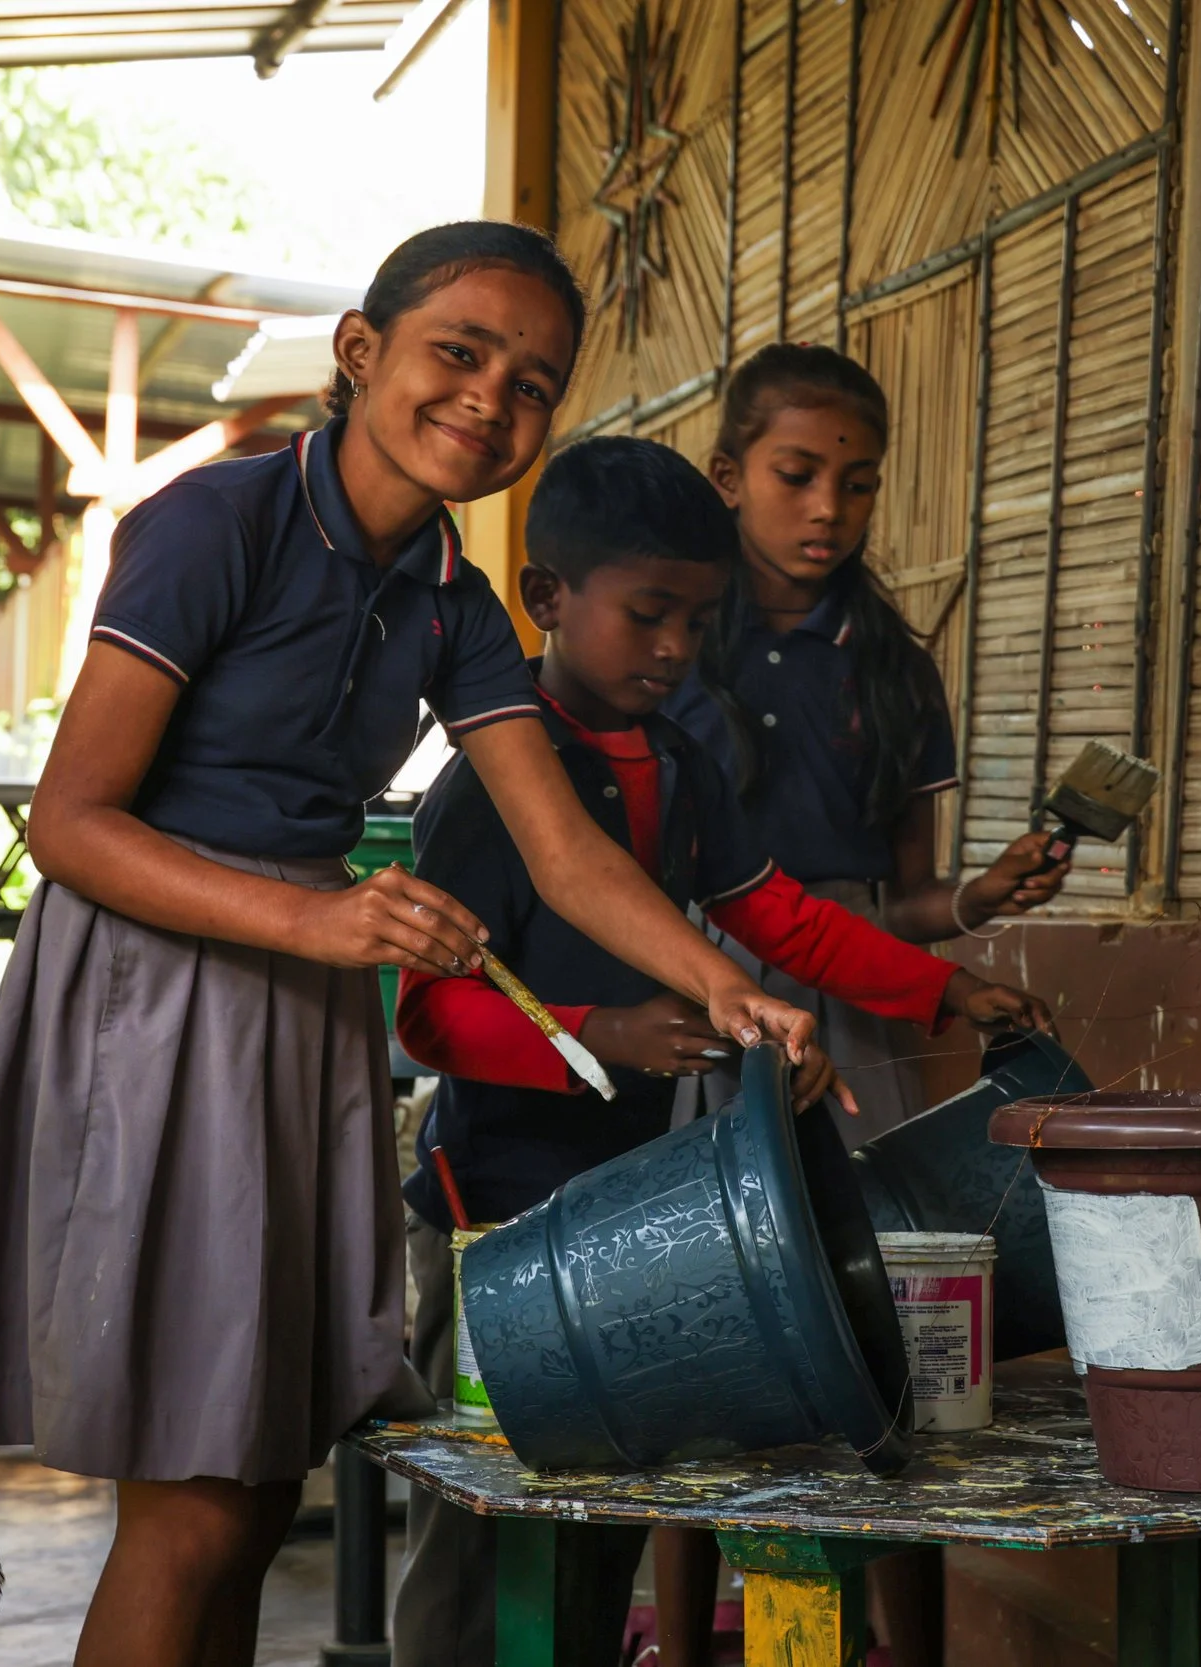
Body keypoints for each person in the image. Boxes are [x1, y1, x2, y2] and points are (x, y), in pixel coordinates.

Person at [0, 224, 823, 1667]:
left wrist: (733, 988)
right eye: (460, 352)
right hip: (151, 986)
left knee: (256, 1495)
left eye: (533, 383)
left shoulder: (451, 600)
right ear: (358, 350)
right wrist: (319, 917)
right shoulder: (219, 524)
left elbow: (567, 856)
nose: (490, 400)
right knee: (192, 1509)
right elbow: (70, 822)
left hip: (295, 1010)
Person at [387, 434, 1053, 1667]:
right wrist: (609, 1033)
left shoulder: (682, 761)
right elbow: (425, 1015)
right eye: (647, 616)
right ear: (545, 599)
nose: (676, 650)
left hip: (631, 1214)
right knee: (487, 1519)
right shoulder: (491, 781)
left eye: (696, 621)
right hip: (493, 1213)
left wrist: (941, 987)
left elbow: (780, 915)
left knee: (598, 1511)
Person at [664, 343, 1073, 1145]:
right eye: (796, 475)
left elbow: (901, 902)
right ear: (727, 476)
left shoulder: (896, 671)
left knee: (863, 1220)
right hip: (694, 976)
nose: (828, 508)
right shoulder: (672, 646)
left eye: (857, 485)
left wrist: (977, 898)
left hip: (857, 994)